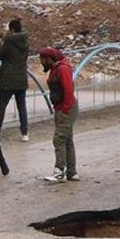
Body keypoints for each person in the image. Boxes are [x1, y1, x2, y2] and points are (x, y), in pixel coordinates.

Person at [39, 47, 78, 183]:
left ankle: (59, 172)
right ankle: (71, 172)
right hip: (62, 108)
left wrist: (65, 110)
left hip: (65, 109)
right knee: (67, 139)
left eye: (43, 59)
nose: (41, 62)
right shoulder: (57, 69)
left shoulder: (62, 70)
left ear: (50, 59)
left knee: (59, 139)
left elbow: (68, 91)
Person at [0, 18, 31, 141]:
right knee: (21, 106)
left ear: (12, 29)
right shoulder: (26, 42)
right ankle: (24, 133)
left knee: (1, 106)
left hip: (7, 80)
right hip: (21, 79)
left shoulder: (8, 43)